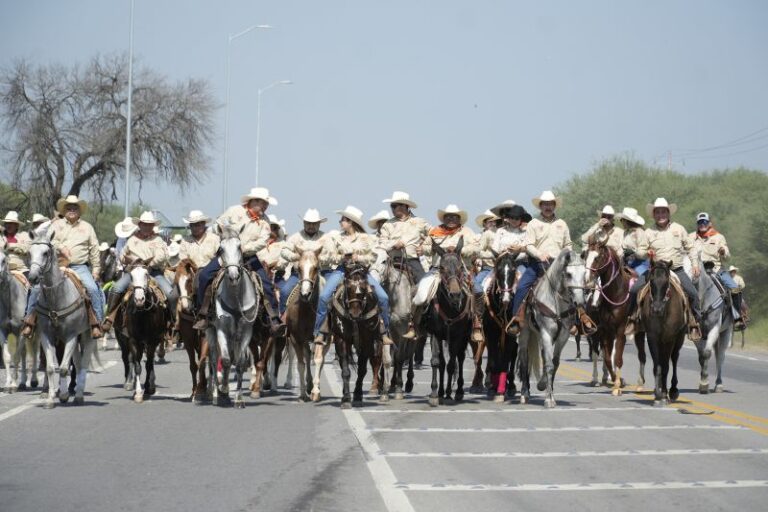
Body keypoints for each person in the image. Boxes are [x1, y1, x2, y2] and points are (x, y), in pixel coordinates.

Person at [194, 187, 279, 332]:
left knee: (266, 284)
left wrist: (243, 248)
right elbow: (217, 225)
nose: (266, 206)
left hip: (248, 257)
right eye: (263, 203)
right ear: (253, 202)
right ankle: (203, 314)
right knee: (204, 276)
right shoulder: (234, 211)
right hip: (226, 254)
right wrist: (224, 235)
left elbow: (262, 241)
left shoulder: (265, 221)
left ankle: (272, 319)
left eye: (266, 204)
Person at [22, 196, 103, 338]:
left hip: (80, 266)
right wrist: (61, 247)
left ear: (79, 211)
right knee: (36, 288)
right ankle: (29, 321)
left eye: (75, 208)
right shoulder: (55, 225)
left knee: (92, 289)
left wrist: (96, 269)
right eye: (69, 208)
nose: (71, 210)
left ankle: (96, 323)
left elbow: (94, 249)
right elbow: (46, 242)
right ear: (64, 210)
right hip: (56, 266)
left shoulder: (87, 227)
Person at [625, 198, 702, 341]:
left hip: (676, 269)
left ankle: (694, 323)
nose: (661, 215)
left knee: (693, 294)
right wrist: (646, 253)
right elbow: (640, 251)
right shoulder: (648, 232)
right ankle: (632, 318)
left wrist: (695, 264)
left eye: (663, 212)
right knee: (634, 290)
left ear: (668, 213)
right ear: (654, 215)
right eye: (658, 212)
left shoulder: (679, 229)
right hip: (655, 271)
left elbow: (690, 248)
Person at [313, 206, 392, 344]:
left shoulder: (366, 238)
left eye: (343, 220)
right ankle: (320, 332)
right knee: (324, 297)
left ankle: (384, 331)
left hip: (362, 272)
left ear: (351, 222)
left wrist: (358, 258)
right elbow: (324, 257)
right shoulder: (335, 238)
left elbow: (372, 257)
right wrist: (341, 258)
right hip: (342, 270)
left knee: (383, 297)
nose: (340, 222)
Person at [102, 211, 177, 331]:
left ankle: (173, 322)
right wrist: (128, 261)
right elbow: (122, 255)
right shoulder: (132, 239)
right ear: (140, 225)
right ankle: (110, 317)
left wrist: (148, 264)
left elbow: (162, 255)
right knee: (116, 288)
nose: (147, 227)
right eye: (144, 224)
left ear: (153, 226)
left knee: (171, 294)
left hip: (153, 272)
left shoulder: (158, 239)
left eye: (149, 224)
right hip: (133, 272)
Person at [377, 191, 430, 339]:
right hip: (392, 262)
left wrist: (424, 247)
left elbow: (433, 236)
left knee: (426, 289)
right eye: (392, 206)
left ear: (406, 206)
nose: (393, 208)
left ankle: (417, 323)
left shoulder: (420, 222)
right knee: (374, 288)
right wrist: (395, 243)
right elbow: (381, 243)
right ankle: (381, 324)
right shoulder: (388, 224)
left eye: (397, 205)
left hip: (412, 261)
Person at [689, 212, 745, 330]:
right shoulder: (691, 237)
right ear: (697, 224)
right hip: (696, 271)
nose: (702, 224)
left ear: (710, 223)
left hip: (716, 269)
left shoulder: (719, 237)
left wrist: (723, 252)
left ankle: (737, 317)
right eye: (700, 222)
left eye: (704, 222)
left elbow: (727, 257)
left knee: (734, 288)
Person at [275, 209, 331, 316]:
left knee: (333, 293)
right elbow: (284, 251)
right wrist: (295, 256)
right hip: (299, 273)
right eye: (308, 223)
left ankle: (332, 324)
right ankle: (283, 321)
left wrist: (319, 258)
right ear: (304, 223)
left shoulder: (326, 238)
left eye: (314, 224)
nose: (311, 226)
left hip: (322, 272)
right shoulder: (295, 237)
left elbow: (332, 253)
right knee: (284, 292)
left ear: (319, 224)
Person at [615, 207, 649, 276]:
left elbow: (643, 251)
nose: (621, 222)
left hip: (640, 263)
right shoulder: (626, 232)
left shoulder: (639, 232)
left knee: (637, 281)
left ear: (627, 221)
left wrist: (633, 253)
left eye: (622, 220)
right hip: (627, 263)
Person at [729, 265, 746, 331]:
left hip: (738, 294)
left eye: (733, 271)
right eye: (731, 271)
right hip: (730, 295)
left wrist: (738, 287)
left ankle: (741, 318)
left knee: (740, 304)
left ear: (735, 271)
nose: (732, 272)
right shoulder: (728, 279)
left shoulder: (739, 278)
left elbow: (743, 285)